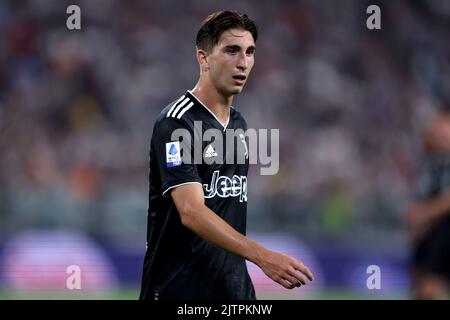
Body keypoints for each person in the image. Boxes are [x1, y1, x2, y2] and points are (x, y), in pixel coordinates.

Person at [139, 10, 313, 300]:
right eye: (232, 51)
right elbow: (191, 212)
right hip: (179, 291)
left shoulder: (238, 123)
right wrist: (261, 255)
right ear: (203, 58)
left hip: (233, 291)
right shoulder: (176, 123)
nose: (243, 62)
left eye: (250, 52)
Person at [405, 109, 450, 299]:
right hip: (428, 232)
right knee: (420, 283)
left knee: (430, 285)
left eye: (443, 125)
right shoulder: (430, 159)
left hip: (444, 232)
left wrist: (424, 213)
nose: (438, 130)